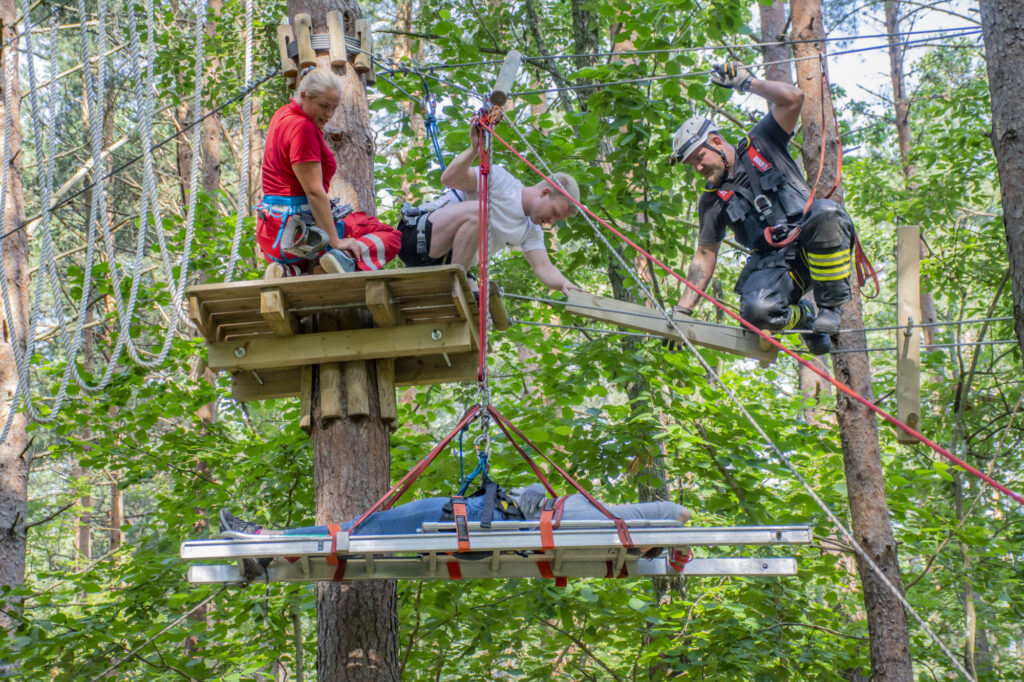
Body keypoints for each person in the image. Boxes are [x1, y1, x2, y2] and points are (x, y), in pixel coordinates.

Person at [668, 62, 856, 355]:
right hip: (775, 265)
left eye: (699, 157)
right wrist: (682, 310)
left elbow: (793, 99)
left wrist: (747, 82)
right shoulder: (712, 199)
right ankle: (804, 318)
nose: (699, 167)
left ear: (716, 141)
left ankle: (830, 308)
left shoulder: (761, 142)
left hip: (814, 241)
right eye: (692, 164)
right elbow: (705, 255)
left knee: (826, 212)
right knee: (756, 314)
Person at [396, 121, 583, 296]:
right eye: (554, 213)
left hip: (446, 262)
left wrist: (564, 284)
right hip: (418, 238)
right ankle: (456, 284)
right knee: (483, 211)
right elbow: (449, 179)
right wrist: (474, 149)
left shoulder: (531, 231)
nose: (551, 222)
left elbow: (544, 268)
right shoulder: (502, 181)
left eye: (557, 220)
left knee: (484, 319)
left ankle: (458, 283)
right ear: (544, 192)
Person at [257, 66, 400, 279]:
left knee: (302, 254)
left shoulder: (281, 115)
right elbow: (314, 192)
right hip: (300, 230)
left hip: (272, 233)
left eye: (334, 107)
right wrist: (335, 241)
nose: (329, 114)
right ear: (304, 95)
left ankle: (288, 270)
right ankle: (343, 260)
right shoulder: (303, 128)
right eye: (324, 106)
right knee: (391, 236)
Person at [219, 483, 690, 538]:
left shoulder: (591, 520)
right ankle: (271, 545)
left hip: (458, 517)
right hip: (475, 515)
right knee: (364, 529)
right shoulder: (601, 515)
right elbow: (654, 511)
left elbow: (654, 513)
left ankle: (269, 539)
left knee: (364, 529)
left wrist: (533, 499)